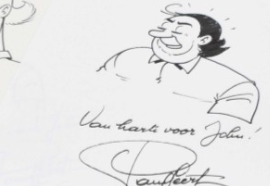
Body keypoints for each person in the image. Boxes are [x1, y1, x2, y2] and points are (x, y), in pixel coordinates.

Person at [98, 8, 259, 123]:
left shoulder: (235, 86)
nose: (164, 35)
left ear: (203, 40)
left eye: (179, 30)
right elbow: (93, 92)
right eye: (165, 26)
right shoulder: (127, 57)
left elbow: (228, 135)